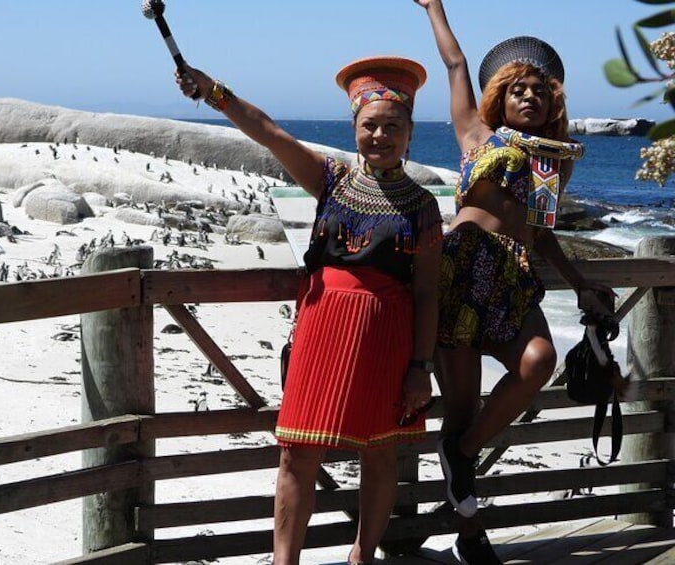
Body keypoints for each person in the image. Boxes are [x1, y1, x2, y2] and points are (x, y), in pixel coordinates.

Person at [177, 56, 442, 565]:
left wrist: (420, 368)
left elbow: (428, 293)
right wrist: (215, 92)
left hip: (389, 338)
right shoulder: (333, 180)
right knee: (296, 451)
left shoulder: (423, 206)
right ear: (354, 128)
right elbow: (271, 135)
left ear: (410, 132)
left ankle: (362, 556)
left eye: (393, 126)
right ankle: (285, 562)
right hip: (322, 330)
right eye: (370, 125)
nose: (381, 135)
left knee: (381, 453)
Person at [415, 1, 615, 563]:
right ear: (498, 97)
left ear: (554, 103)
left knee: (537, 363)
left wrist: (580, 285)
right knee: (458, 404)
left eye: (540, 91)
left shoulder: (554, 165)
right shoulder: (475, 135)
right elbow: (456, 65)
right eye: (518, 89)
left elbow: (543, 235)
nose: (530, 96)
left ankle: (462, 452)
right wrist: (434, 8)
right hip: (460, 275)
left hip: (512, 279)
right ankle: (471, 536)